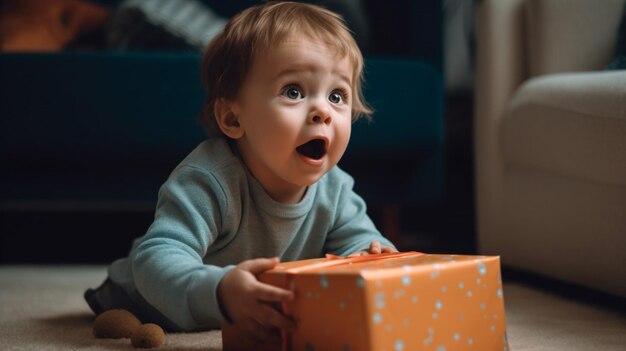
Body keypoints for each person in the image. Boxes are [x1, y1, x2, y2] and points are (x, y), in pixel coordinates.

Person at [84, 1, 396, 342]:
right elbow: (157, 259)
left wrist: (373, 256)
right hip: (147, 296)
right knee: (134, 308)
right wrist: (220, 291)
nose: (323, 110)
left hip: (245, 302)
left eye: (337, 95)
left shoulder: (335, 189)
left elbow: (360, 240)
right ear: (233, 118)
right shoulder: (209, 178)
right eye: (294, 91)